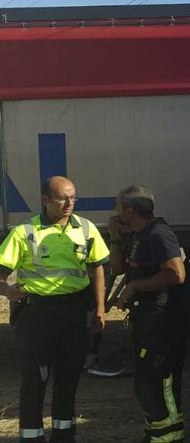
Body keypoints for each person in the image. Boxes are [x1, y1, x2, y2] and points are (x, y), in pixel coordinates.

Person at [0, 176, 110, 442]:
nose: (69, 203)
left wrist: (100, 308)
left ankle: (64, 434)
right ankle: (32, 436)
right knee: (35, 380)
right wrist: (7, 290)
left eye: (73, 197)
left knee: (69, 377)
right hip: (37, 315)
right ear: (45, 200)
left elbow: (97, 269)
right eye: (62, 198)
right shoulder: (24, 232)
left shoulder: (85, 229)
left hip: (73, 312)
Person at [109, 185, 187, 443]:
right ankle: (156, 434)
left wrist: (135, 286)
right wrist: (115, 237)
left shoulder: (158, 234)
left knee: (158, 381)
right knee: (145, 383)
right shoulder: (136, 235)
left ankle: (169, 438)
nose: (116, 212)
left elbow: (176, 274)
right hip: (145, 321)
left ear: (129, 210)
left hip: (161, 321)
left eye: (119, 208)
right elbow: (118, 267)